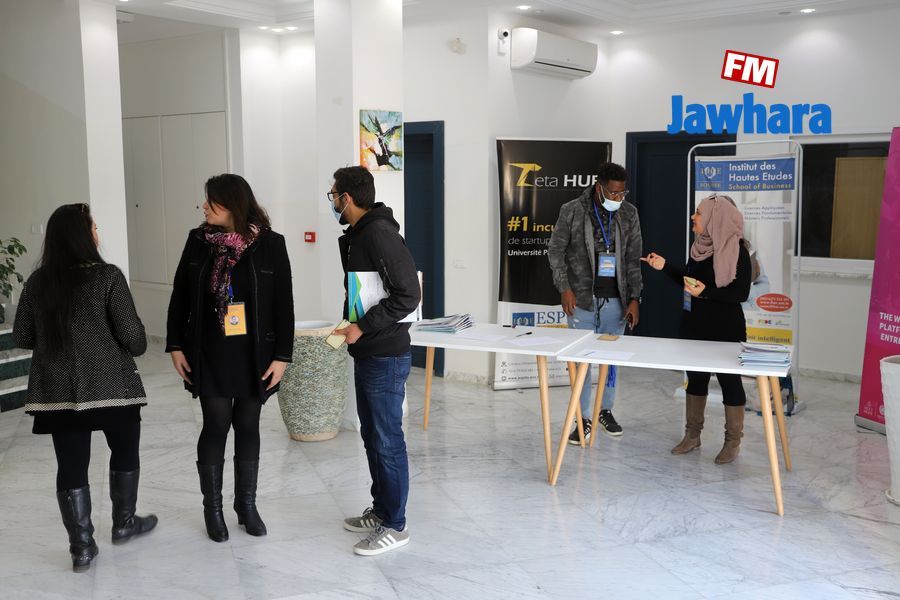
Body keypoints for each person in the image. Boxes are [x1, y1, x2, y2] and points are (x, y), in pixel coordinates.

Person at [13, 203, 156, 572]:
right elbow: (134, 339)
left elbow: (22, 336)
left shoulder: (37, 283)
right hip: (112, 387)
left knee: (71, 465)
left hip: (57, 391)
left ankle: (81, 548)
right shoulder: (107, 277)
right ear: (81, 234)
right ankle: (124, 524)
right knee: (125, 450)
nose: (97, 232)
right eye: (93, 226)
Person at [166, 174, 294, 542]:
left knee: (249, 425)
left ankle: (246, 506)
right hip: (210, 351)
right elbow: (179, 296)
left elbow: (284, 304)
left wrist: (282, 356)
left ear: (234, 204)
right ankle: (213, 510)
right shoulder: (198, 242)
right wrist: (176, 345)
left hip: (256, 353)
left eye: (212, 201)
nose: (204, 207)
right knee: (216, 425)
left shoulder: (271, 244)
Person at [329, 166, 421, 556]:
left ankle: (395, 525)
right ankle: (382, 510)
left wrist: (362, 326)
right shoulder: (360, 235)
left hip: (385, 353)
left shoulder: (379, 233)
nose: (333, 201)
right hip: (369, 350)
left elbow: (408, 294)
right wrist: (350, 323)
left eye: (334, 195)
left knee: (387, 440)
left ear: (346, 198)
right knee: (373, 437)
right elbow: (366, 291)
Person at [642, 194, 752, 464]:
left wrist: (707, 293)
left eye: (699, 213)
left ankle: (732, 442)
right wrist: (665, 267)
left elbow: (740, 293)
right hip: (694, 326)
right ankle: (692, 436)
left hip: (726, 329)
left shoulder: (738, 250)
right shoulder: (699, 248)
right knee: (696, 380)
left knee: (730, 382)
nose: (693, 217)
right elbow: (690, 283)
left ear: (716, 218)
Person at [548, 162, 643, 443]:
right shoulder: (572, 211)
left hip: (617, 301)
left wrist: (635, 298)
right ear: (599, 188)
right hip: (581, 300)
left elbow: (633, 259)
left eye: (622, 193)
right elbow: (555, 251)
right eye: (613, 193)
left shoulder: (629, 213)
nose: (618, 198)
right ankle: (583, 418)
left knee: (610, 361)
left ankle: (605, 410)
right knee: (581, 363)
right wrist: (564, 288)